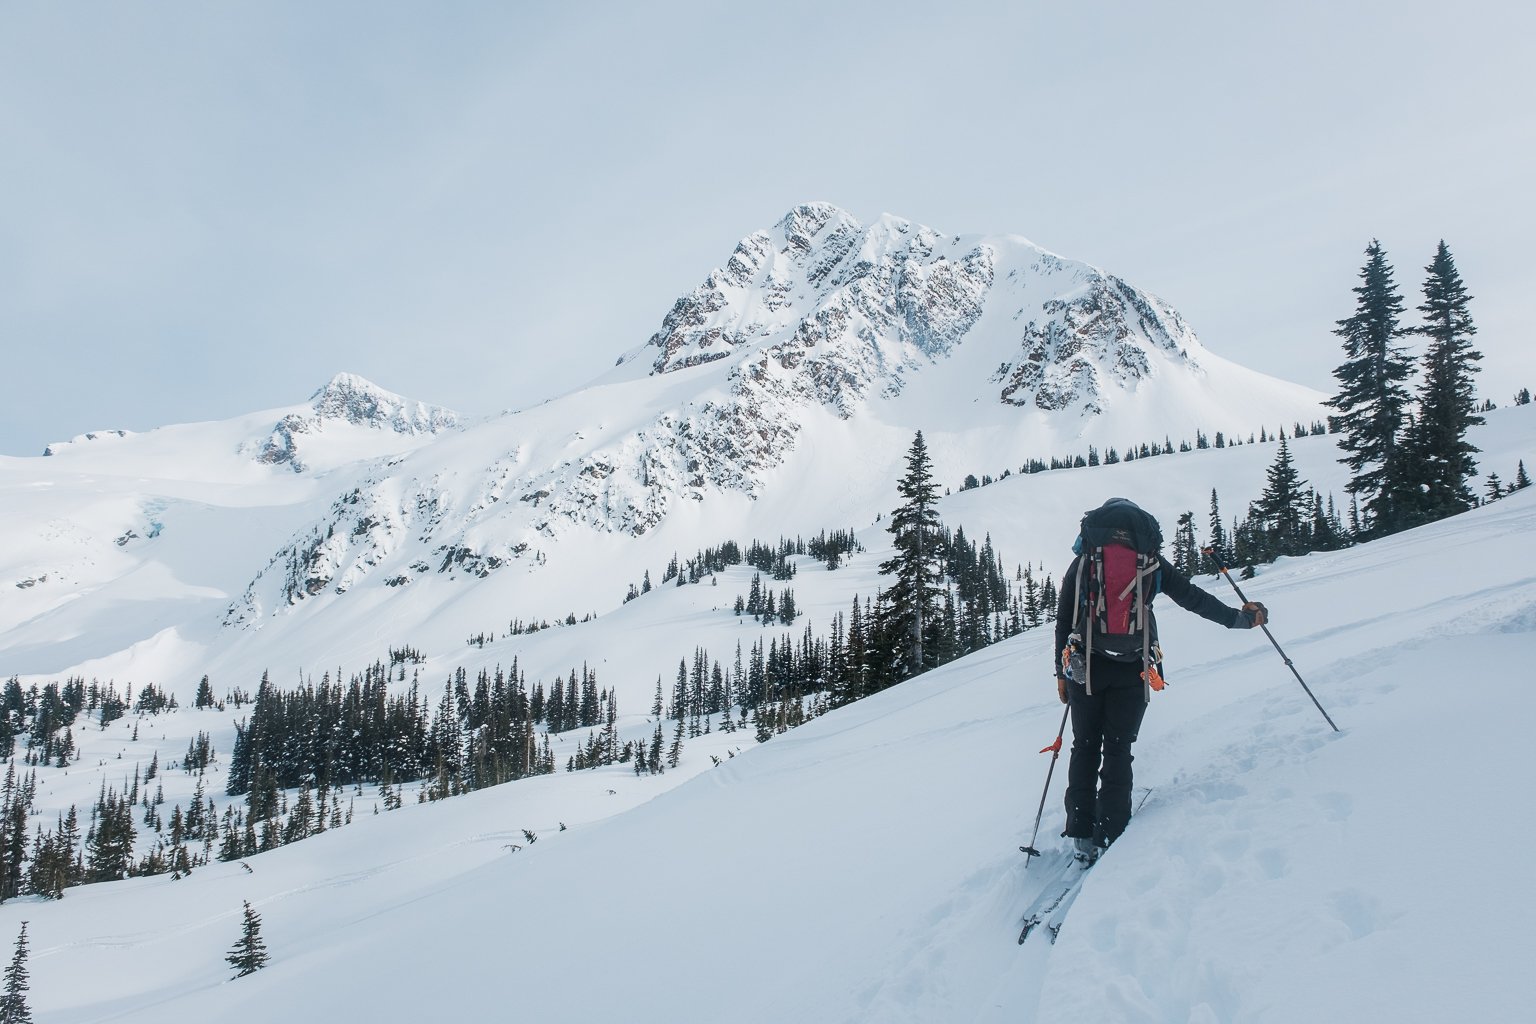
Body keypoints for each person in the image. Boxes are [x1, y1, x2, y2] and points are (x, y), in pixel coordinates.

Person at [1053, 498, 1266, 862]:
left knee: (1084, 746)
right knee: (1118, 747)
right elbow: (1194, 599)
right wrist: (1241, 619)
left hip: (1085, 668)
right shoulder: (1151, 564)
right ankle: (1112, 829)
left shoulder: (1084, 563)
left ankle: (1081, 834)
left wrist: (1061, 674)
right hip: (1134, 667)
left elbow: (1063, 620)